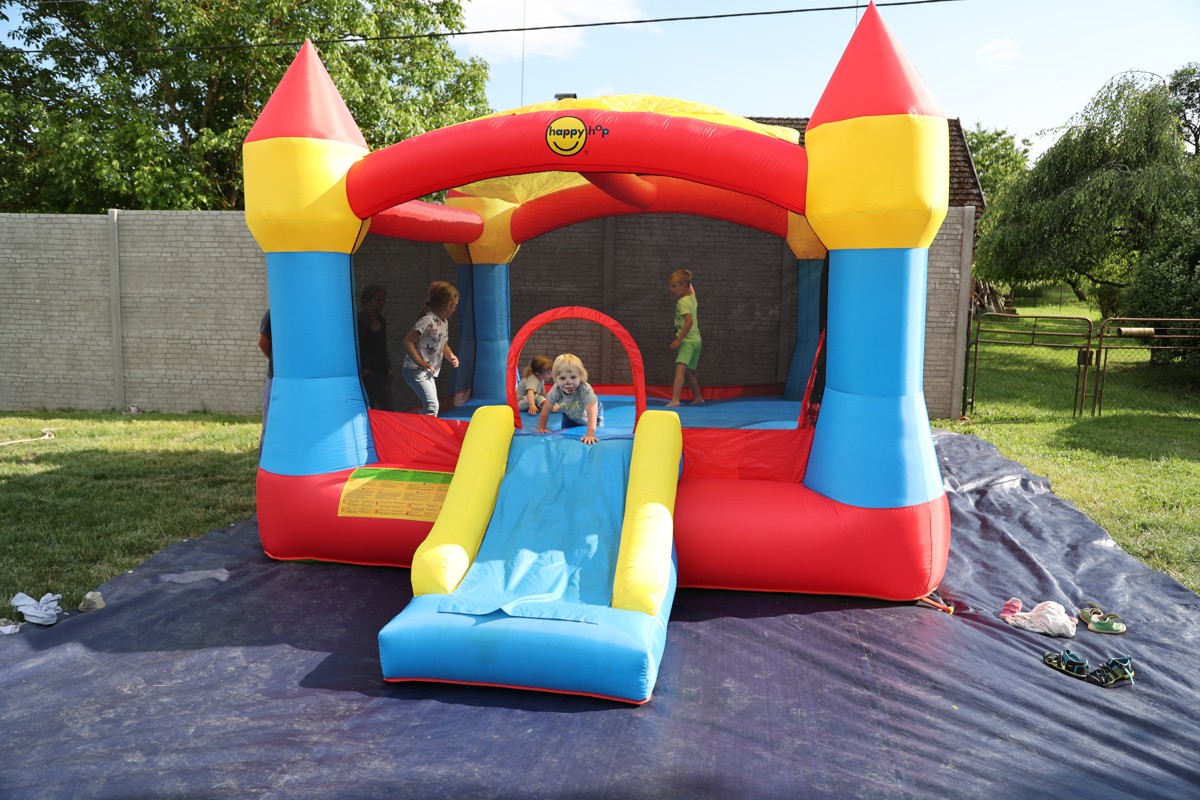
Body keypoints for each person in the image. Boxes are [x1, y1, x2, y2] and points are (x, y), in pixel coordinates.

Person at [402, 281, 460, 416]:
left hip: (427, 371)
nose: (454, 310)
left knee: (433, 406)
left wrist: (451, 356)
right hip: (415, 370)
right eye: (454, 306)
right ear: (448, 305)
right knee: (432, 406)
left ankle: (423, 427)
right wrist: (420, 362)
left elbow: (443, 345)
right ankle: (422, 428)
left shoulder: (443, 323)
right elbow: (408, 341)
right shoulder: (427, 321)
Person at [536, 353, 603, 444]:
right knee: (565, 438)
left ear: (580, 376)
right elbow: (546, 410)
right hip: (570, 416)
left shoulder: (585, 390)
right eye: (562, 378)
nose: (568, 383)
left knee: (598, 434)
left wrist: (590, 434)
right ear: (555, 378)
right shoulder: (556, 390)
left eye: (573, 377)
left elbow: (592, 413)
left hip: (593, 415)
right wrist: (541, 427)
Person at [666, 267, 704, 407]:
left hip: (688, 341)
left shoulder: (683, 302)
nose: (672, 289)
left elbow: (689, 322)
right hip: (696, 340)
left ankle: (675, 400)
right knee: (687, 372)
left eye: (674, 286)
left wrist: (678, 340)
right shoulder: (692, 298)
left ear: (684, 286)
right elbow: (690, 287)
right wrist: (687, 275)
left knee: (680, 368)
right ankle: (698, 397)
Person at [357, 284, 393, 411]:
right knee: (369, 407)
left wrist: (388, 367)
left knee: (388, 408)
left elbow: (382, 347)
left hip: (382, 373)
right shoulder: (359, 320)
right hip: (367, 374)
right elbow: (358, 346)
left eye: (383, 300)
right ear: (367, 301)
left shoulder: (382, 320)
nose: (381, 304)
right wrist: (362, 369)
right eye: (378, 300)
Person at [257, 310, 272, 453]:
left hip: (280, 376)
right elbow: (262, 342)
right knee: (270, 423)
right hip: (277, 377)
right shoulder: (272, 313)